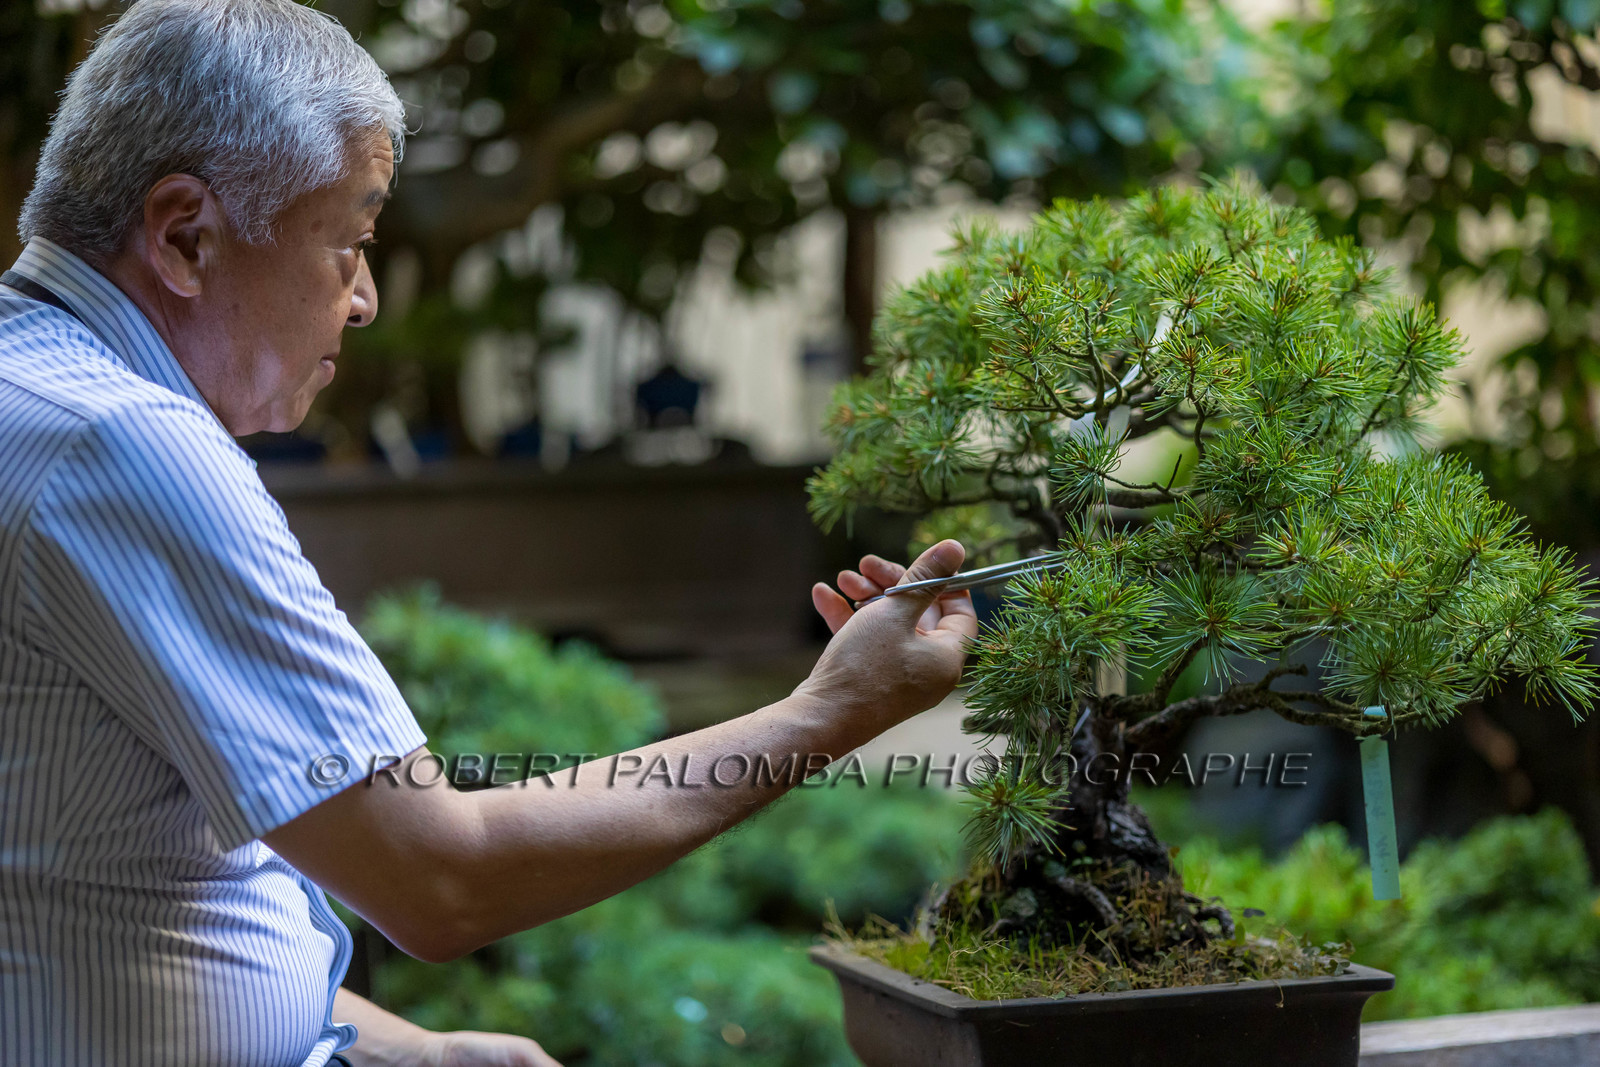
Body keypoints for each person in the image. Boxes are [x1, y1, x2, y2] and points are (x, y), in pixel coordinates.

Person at [0, 2, 976, 1065]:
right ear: (186, 234)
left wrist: (408, 1048)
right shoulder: (124, 445)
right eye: (353, 242)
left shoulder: (37, 398)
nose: (365, 299)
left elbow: (100, 882)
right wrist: (834, 708)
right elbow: (443, 873)